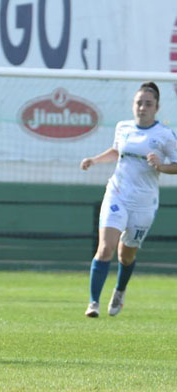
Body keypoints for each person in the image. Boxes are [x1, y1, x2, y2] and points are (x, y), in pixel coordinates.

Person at [80, 81, 177, 318]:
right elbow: (116, 151)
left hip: (144, 202)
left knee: (126, 255)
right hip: (117, 193)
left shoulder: (165, 134)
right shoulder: (123, 127)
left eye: (147, 104)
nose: (142, 107)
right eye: (138, 103)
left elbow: (175, 165)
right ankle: (93, 303)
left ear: (156, 108)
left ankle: (120, 291)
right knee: (105, 248)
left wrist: (161, 166)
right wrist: (94, 160)